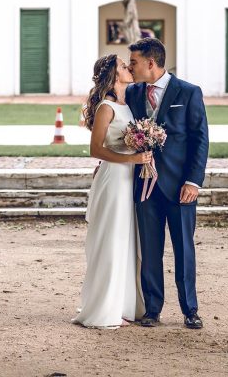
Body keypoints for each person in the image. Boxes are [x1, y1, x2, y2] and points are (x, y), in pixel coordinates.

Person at [126, 38, 209, 329]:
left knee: (184, 248)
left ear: (151, 63)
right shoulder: (132, 93)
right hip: (144, 185)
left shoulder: (188, 92)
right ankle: (152, 309)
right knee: (149, 249)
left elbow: (200, 140)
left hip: (179, 186)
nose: (130, 67)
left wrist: (193, 181)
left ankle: (190, 309)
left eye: (134, 62)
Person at [72, 54, 151, 329]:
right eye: (123, 65)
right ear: (114, 74)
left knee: (128, 241)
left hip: (130, 178)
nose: (129, 67)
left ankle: (125, 305)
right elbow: (97, 150)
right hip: (115, 179)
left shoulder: (126, 104)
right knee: (112, 241)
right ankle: (104, 309)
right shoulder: (107, 107)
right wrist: (132, 158)